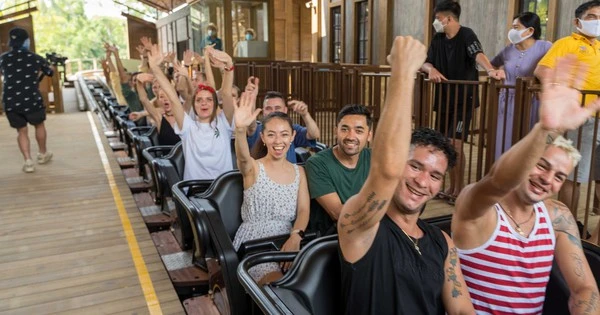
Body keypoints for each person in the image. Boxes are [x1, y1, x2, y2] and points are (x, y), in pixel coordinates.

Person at [453, 55, 600, 314]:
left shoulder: (558, 216)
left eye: (559, 176)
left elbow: (585, 288)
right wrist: (544, 129)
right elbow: (498, 182)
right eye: (541, 165)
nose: (547, 179)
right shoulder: (480, 208)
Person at [338, 35, 474, 315]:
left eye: (435, 176)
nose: (422, 182)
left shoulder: (441, 242)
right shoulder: (361, 223)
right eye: (414, 166)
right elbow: (386, 171)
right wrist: (403, 72)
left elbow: (462, 310)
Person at [420, 0, 502, 204]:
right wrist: (431, 70)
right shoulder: (437, 39)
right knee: (443, 144)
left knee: (455, 143)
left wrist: (490, 70)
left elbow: (478, 54)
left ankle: (460, 187)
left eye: (438, 18)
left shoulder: (467, 34)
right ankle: (449, 185)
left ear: (448, 18)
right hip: (444, 98)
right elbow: (426, 61)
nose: (436, 22)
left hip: (464, 99)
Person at [232, 89, 309, 285]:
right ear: (263, 138)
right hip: (255, 243)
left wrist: (295, 236)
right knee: (278, 287)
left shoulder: (299, 172)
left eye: (284, 135)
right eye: (272, 135)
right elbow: (242, 158)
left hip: (287, 239)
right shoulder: (254, 168)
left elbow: (303, 210)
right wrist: (240, 130)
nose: (278, 141)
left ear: (292, 137)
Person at [534, 0, 600, 218]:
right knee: (574, 174)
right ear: (577, 21)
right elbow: (543, 69)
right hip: (581, 119)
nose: (597, 22)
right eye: (592, 17)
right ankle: (569, 222)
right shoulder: (567, 43)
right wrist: (561, 94)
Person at [147, 44, 235, 180]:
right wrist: (155, 68)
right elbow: (172, 97)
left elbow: (227, 94)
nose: (204, 103)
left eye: (208, 100)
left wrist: (229, 65)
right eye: (199, 100)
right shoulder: (187, 126)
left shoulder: (224, 123)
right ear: (194, 105)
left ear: (215, 103)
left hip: (224, 192)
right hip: (195, 194)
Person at [489, 12, 551, 160]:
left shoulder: (545, 47)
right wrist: (497, 72)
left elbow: (553, 68)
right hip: (507, 100)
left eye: (516, 27)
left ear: (530, 30)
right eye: (512, 27)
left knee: (529, 138)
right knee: (504, 137)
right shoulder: (508, 50)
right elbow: (492, 64)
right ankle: (503, 175)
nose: (512, 31)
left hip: (533, 100)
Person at [305, 104, 372, 236]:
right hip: (331, 239)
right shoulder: (317, 164)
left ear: (369, 135)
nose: (351, 136)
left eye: (359, 131)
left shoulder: (375, 159)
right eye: (345, 129)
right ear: (336, 131)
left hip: (370, 232)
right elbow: (338, 213)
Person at [0, 27, 54, 173]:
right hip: (31, 99)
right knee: (39, 125)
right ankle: (43, 154)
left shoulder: (3, 58)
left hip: (11, 101)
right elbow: (50, 72)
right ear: (26, 41)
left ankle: (28, 161)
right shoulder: (35, 58)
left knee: (21, 131)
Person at [247, 89, 320, 163]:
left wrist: (305, 114)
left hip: (290, 173)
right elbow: (250, 124)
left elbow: (314, 135)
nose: (273, 112)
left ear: (285, 110)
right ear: (263, 112)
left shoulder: (291, 128)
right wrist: (251, 99)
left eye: (277, 108)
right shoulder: (257, 129)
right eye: (268, 108)